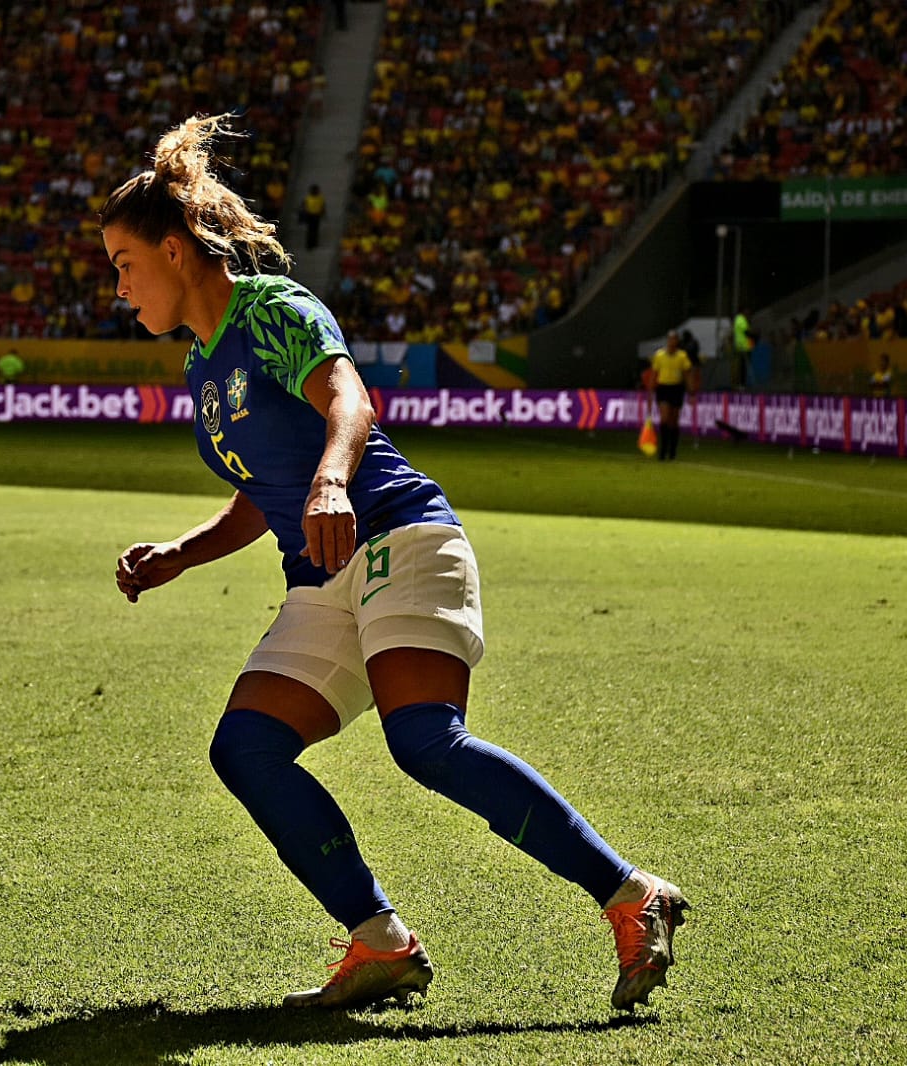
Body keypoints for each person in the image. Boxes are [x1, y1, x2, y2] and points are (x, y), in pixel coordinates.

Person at [100, 114, 687, 1013]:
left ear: (176, 252)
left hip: (400, 536)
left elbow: (348, 400)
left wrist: (334, 481)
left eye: (123, 265)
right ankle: (380, 945)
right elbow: (264, 489)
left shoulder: (273, 312)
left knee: (423, 743)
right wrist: (181, 554)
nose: (118, 287)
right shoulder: (200, 365)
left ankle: (629, 894)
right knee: (247, 748)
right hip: (320, 576)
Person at [648, 330, 696, 461]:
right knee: (664, 418)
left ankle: (672, 450)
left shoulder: (682, 356)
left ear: (677, 341)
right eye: (670, 339)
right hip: (663, 388)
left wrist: (691, 391)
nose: (672, 342)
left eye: (674, 339)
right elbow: (654, 373)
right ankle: (663, 449)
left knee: (674, 421)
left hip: (676, 388)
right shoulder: (659, 355)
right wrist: (650, 390)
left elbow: (687, 374)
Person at [298, 183, 326, 250]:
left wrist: (323, 213)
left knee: (315, 230)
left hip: (317, 215)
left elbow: (323, 207)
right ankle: (309, 244)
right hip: (310, 215)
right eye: (313, 190)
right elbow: (303, 206)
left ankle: (314, 243)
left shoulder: (320, 198)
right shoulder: (308, 198)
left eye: (316, 190)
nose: (315, 191)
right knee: (310, 230)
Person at [732, 308, 754, 388]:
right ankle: (741, 384)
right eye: (747, 312)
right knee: (742, 366)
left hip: (746, 346)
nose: (748, 314)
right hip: (742, 347)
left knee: (744, 366)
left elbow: (748, 335)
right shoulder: (741, 320)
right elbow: (747, 333)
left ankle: (743, 384)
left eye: (749, 312)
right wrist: (754, 333)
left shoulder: (745, 321)